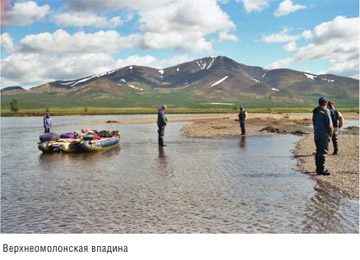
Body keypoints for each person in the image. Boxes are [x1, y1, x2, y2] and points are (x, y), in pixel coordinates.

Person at [312, 97, 333, 176]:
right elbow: (329, 124)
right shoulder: (326, 111)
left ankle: (318, 168)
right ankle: (321, 170)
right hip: (323, 134)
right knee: (323, 151)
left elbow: (314, 122)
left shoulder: (315, 111)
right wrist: (331, 133)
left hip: (317, 133)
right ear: (326, 103)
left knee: (318, 151)